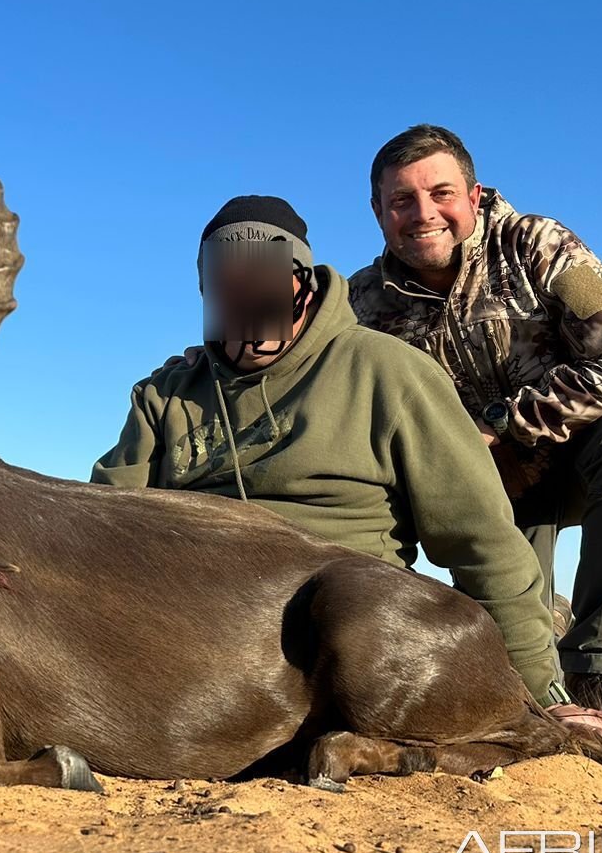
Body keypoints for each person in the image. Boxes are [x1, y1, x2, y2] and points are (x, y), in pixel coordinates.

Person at [92, 195, 563, 711]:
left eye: (265, 276)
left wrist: (539, 694)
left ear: (305, 280)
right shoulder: (164, 395)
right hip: (194, 634)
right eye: (226, 282)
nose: (246, 295)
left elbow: (483, 544)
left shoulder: (390, 371)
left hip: (338, 637)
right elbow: (101, 531)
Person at [348, 125, 602, 730]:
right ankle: (519, 682)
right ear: (377, 211)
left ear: (475, 196)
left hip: (575, 458)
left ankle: (601, 666)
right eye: (401, 201)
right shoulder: (359, 304)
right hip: (480, 491)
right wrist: (205, 359)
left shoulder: (539, 246)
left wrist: (504, 426)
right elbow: (287, 352)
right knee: (512, 659)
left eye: (442, 193)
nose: (423, 215)